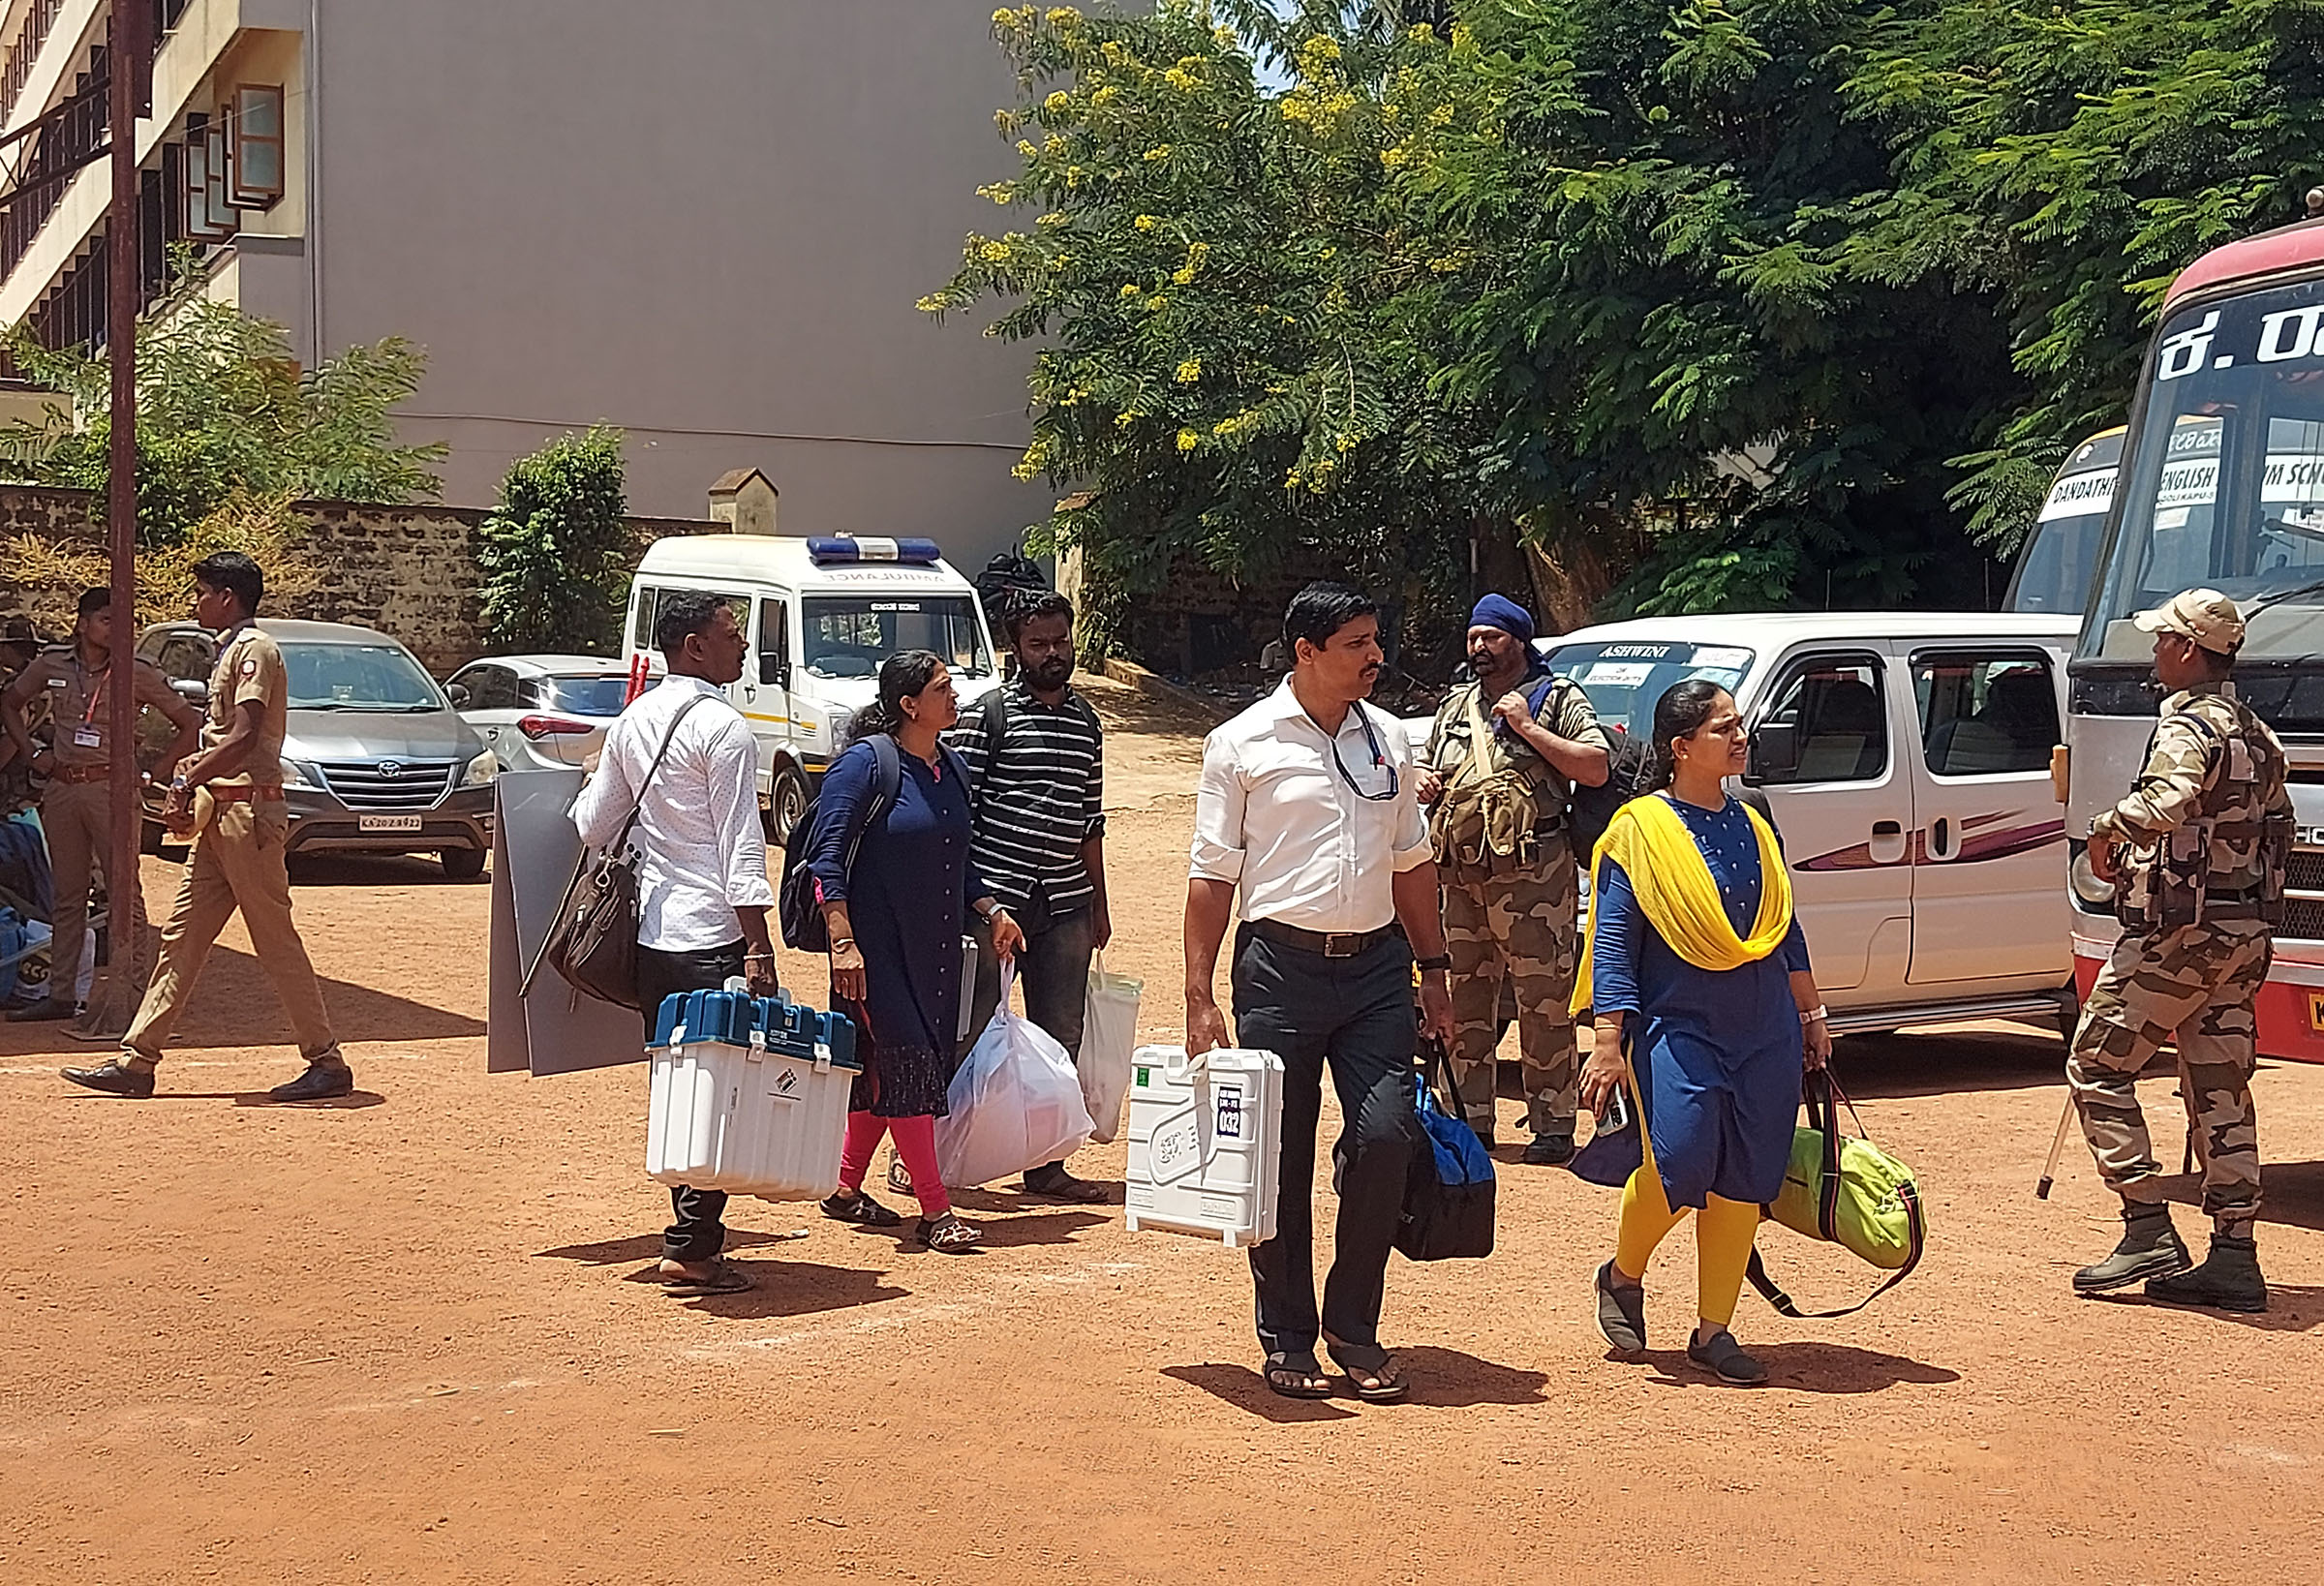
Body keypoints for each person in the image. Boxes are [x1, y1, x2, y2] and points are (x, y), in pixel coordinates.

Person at [1185, 582, 1457, 1402]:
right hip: (1279, 971)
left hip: (1376, 972)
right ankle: (1289, 1337)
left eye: (1375, 639)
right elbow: (1211, 876)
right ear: (1306, 652)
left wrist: (1436, 972)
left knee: (1385, 1137)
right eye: (1357, 643)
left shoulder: (1390, 741)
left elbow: (1412, 863)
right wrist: (1200, 995)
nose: (1376, 656)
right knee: (1279, 1158)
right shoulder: (1240, 743)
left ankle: (1352, 1326)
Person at [1575, 680, 1830, 1388]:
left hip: (1765, 1025)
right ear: (1681, 747)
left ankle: (1714, 1330)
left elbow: (1784, 927)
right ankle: (1622, 1274)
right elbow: (1614, 940)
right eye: (1725, 728)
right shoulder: (1638, 829)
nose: (1741, 737)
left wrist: (1812, 1015)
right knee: (1682, 1161)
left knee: (1746, 1175)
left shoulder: (1755, 819)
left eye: (1739, 724)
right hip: (1679, 1023)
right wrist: (1607, 1041)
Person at [2067, 589, 2287, 1314]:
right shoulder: (2259, 734)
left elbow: (2166, 801)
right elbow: (2278, 828)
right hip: (2242, 936)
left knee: (2097, 1065)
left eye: (2163, 639)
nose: (2155, 650)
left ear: (2189, 649)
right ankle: (2234, 1255)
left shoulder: (2189, 726)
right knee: (2219, 1086)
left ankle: (2146, 1225)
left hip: (2180, 939)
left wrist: (2105, 828)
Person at [63, 553, 353, 1101]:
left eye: (202, 592)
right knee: (182, 938)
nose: (196, 602)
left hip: (247, 814)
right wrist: (196, 782)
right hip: (222, 813)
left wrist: (186, 777)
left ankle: (326, 1059)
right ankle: (137, 1059)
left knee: (274, 940)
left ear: (226, 596)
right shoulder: (230, 650)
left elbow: (244, 735)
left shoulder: (254, 650)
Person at [572, 591, 780, 1298]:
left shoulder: (633, 720)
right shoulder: (724, 728)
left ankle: (692, 1237)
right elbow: (740, 850)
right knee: (716, 1091)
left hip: (654, 939)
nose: (743, 644)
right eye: (732, 633)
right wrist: (759, 948)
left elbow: (593, 825)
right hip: (713, 937)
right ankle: (692, 1247)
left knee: (677, 1084)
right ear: (695, 645)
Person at [809, 650, 1024, 1254]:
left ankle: (844, 1189)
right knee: (908, 1067)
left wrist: (993, 912)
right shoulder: (864, 766)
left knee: (890, 1068)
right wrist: (843, 943)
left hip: (933, 955)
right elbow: (826, 862)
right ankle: (935, 1211)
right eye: (942, 688)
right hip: (873, 955)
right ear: (909, 705)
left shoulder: (949, 767)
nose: (955, 697)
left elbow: (959, 861)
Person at [1417, 593, 1608, 1161]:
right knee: (1464, 999)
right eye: (1473, 637)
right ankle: (1468, 1122)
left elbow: (1595, 767)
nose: (1479, 646)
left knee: (1543, 1001)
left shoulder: (1557, 698)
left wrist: (1527, 728)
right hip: (1461, 876)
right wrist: (1424, 779)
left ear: (1519, 642)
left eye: (1492, 637)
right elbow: (1432, 766)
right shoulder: (1456, 705)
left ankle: (1553, 1125)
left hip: (1534, 876)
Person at [947, 590, 1111, 1204]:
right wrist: (975, 902)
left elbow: (1091, 820)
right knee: (969, 1031)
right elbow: (956, 815)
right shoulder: (986, 717)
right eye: (1038, 643)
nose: (1052, 653)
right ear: (1014, 648)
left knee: (1061, 1033)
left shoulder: (1087, 722)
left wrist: (1099, 905)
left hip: (1065, 903)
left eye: (1060, 641)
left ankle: (1046, 1165)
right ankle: (932, 1157)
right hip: (994, 903)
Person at [2, 588, 200, 1023]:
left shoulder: (135, 671)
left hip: (112, 790)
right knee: (67, 894)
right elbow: (11, 703)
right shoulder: (52, 663)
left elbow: (190, 722)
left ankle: (132, 992)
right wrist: (33, 753)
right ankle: (61, 994)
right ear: (82, 624)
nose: (116, 629)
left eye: (123, 621)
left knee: (123, 891)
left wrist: (154, 773)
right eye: (107, 620)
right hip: (63, 787)